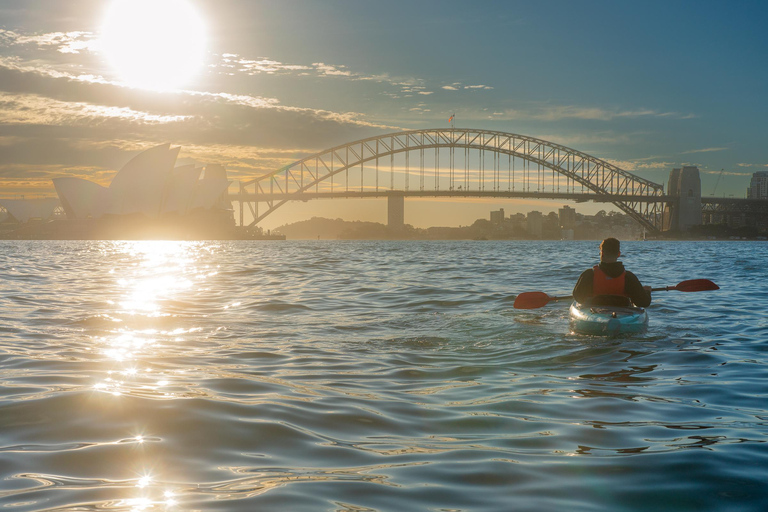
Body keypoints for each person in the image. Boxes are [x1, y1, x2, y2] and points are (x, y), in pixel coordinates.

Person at [572, 237, 652, 307]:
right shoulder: (629, 277)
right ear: (618, 254)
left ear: (602, 253)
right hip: (621, 316)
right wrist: (647, 292)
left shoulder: (589, 275)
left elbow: (578, 298)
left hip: (596, 313)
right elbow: (644, 303)